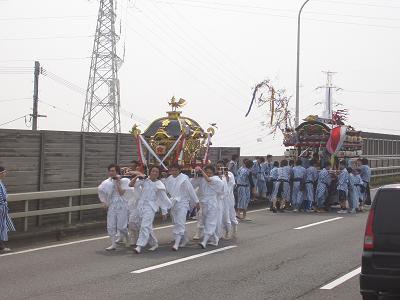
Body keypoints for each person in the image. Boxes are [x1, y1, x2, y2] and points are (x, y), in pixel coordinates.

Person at [130, 166, 172, 254]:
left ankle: (139, 246)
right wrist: (137, 176)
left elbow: (163, 198)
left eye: (157, 172)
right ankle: (154, 243)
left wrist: (165, 211)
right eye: (153, 171)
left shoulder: (159, 184)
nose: (154, 173)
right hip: (141, 205)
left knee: (145, 226)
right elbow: (131, 185)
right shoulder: (144, 180)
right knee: (136, 223)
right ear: (150, 172)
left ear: (159, 174)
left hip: (150, 207)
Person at [164, 164, 199, 251]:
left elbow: (191, 190)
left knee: (180, 221)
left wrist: (196, 201)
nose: (174, 172)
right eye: (172, 170)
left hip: (183, 202)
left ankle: (177, 243)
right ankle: (185, 238)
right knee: (176, 222)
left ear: (179, 170)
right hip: (173, 202)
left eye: (176, 170)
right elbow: (166, 190)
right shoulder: (169, 179)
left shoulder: (184, 178)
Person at [98, 164, 131, 251]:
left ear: (117, 171)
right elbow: (101, 191)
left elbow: (121, 193)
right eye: (110, 171)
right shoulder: (106, 182)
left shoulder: (124, 180)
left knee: (121, 227)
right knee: (111, 225)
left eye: (113, 171)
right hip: (112, 205)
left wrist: (117, 183)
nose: (111, 173)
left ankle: (127, 237)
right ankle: (113, 244)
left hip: (122, 204)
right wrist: (103, 202)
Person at [191, 165, 224, 249]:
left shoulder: (216, 179)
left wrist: (201, 171)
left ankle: (204, 242)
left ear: (213, 173)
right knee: (205, 222)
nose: (208, 174)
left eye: (210, 173)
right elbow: (192, 185)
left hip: (212, 203)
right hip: (203, 204)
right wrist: (195, 175)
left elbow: (209, 180)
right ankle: (215, 239)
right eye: (207, 172)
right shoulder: (202, 179)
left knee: (211, 222)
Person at [216, 160, 238, 239]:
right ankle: (222, 232)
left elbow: (231, 183)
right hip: (220, 198)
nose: (219, 168)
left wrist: (225, 175)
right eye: (218, 166)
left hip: (228, 198)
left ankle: (234, 229)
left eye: (221, 166)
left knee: (231, 214)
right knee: (221, 216)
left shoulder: (230, 174)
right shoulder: (216, 175)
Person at [0, 167, 15, 253]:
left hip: (3, 206)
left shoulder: (1, 182)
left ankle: (1, 246)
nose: (5, 174)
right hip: (1, 207)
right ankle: (1, 246)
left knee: (2, 226)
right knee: (1, 226)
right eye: (4, 172)